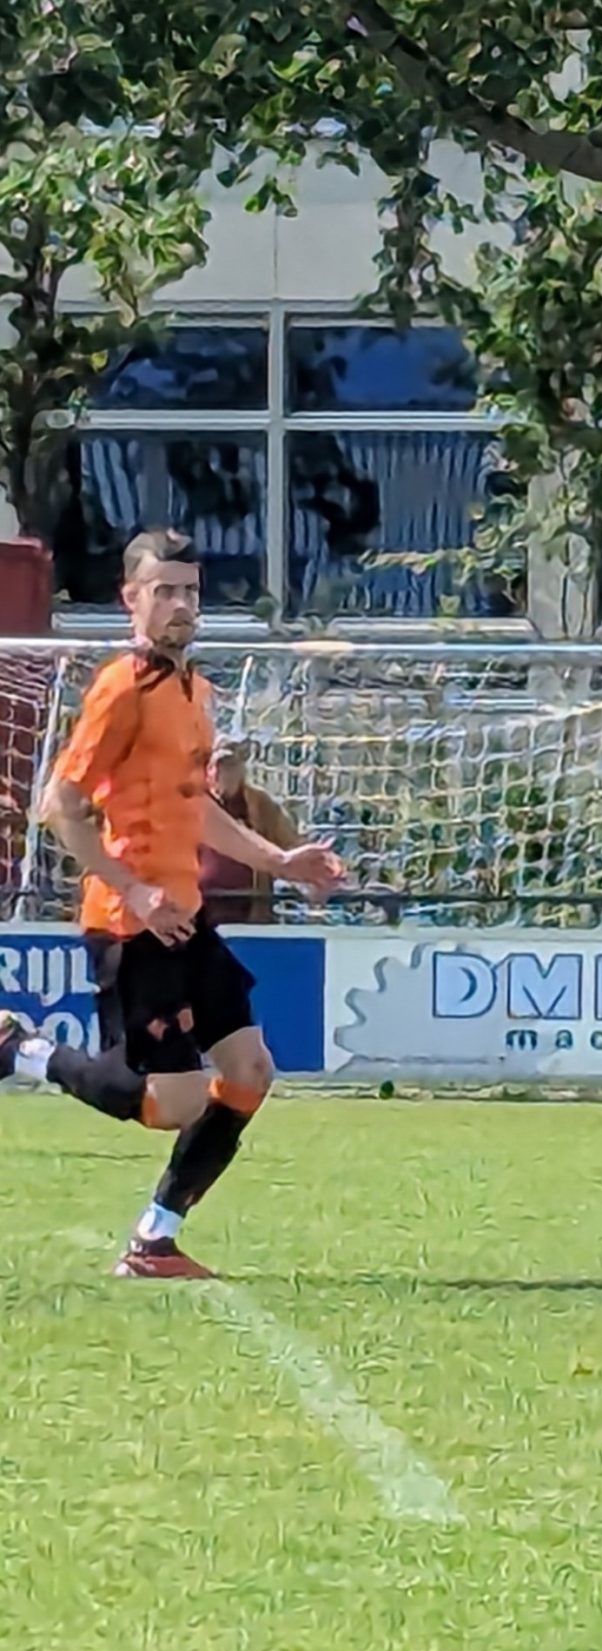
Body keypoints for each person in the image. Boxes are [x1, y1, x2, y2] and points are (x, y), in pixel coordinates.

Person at [0, 530, 344, 1280]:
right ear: (132, 599)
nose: (182, 604)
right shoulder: (121, 686)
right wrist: (133, 888)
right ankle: (18, 1049)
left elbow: (194, 807)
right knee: (173, 1102)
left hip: (186, 916)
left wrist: (280, 859)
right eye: (165, 590)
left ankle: (155, 1240)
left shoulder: (196, 691)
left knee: (249, 1070)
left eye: (190, 590)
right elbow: (61, 802)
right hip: (131, 921)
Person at [200, 744, 304, 928]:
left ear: (242, 770)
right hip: (200, 910)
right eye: (216, 767)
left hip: (251, 911)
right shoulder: (196, 803)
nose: (221, 774)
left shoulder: (261, 806)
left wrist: (312, 873)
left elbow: (290, 844)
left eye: (230, 767)